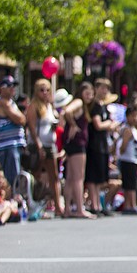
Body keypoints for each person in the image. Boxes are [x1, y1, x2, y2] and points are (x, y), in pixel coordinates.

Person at [25, 80, 65, 219]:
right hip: (38, 145)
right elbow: (32, 128)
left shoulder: (49, 106)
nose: (45, 93)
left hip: (50, 144)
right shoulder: (34, 106)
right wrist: (39, 146)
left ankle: (58, 207)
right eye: (42, 90)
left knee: (54, 176)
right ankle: (34, 206)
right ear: (36, 91)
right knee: (36, 176)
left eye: (47, 90)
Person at [84, 78, 118, 216]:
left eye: (107, 89)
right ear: (96, 89)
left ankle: (99, 203)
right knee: (93, 177)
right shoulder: (95, 106)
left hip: (103, 144)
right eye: (102, 88)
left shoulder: (103, 106)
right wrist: (109, 124)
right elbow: (97, 124)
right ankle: (94, 204)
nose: (105, 91)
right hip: (94, 145)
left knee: (100, 178)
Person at [61, 83, 94, 218]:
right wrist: (74, 125)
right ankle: (80, 209)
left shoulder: (83, 105)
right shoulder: (78, 102)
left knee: (70, 178)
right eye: (87, 93)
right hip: (77, 144)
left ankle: (67, 208)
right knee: (79, 177)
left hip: (71, 144)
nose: (89, 96)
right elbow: (67, 111)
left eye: (91, 94)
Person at [0, 75, 27, 190]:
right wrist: (20, 117)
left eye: (14, 86)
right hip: (7, 146)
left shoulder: (11, 102)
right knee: (12, 177)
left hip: (13, 144)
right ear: (2, 88)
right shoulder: (2, 103)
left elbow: (22, 119)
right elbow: (20, 119)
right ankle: (14, 200)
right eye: (10, 86)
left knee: (17, 175)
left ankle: (16, 199)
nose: (13, 89)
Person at [116, 105, 137, 215]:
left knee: (132, 183)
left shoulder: (134, 129)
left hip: (134, 160)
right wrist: (121, 151)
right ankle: (130, 205)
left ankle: (131, 204)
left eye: (136, 116)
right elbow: (123, 146)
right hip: (127, 160)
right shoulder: (127, 130)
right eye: (132, 116)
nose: (135, 119)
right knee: (129, 184)